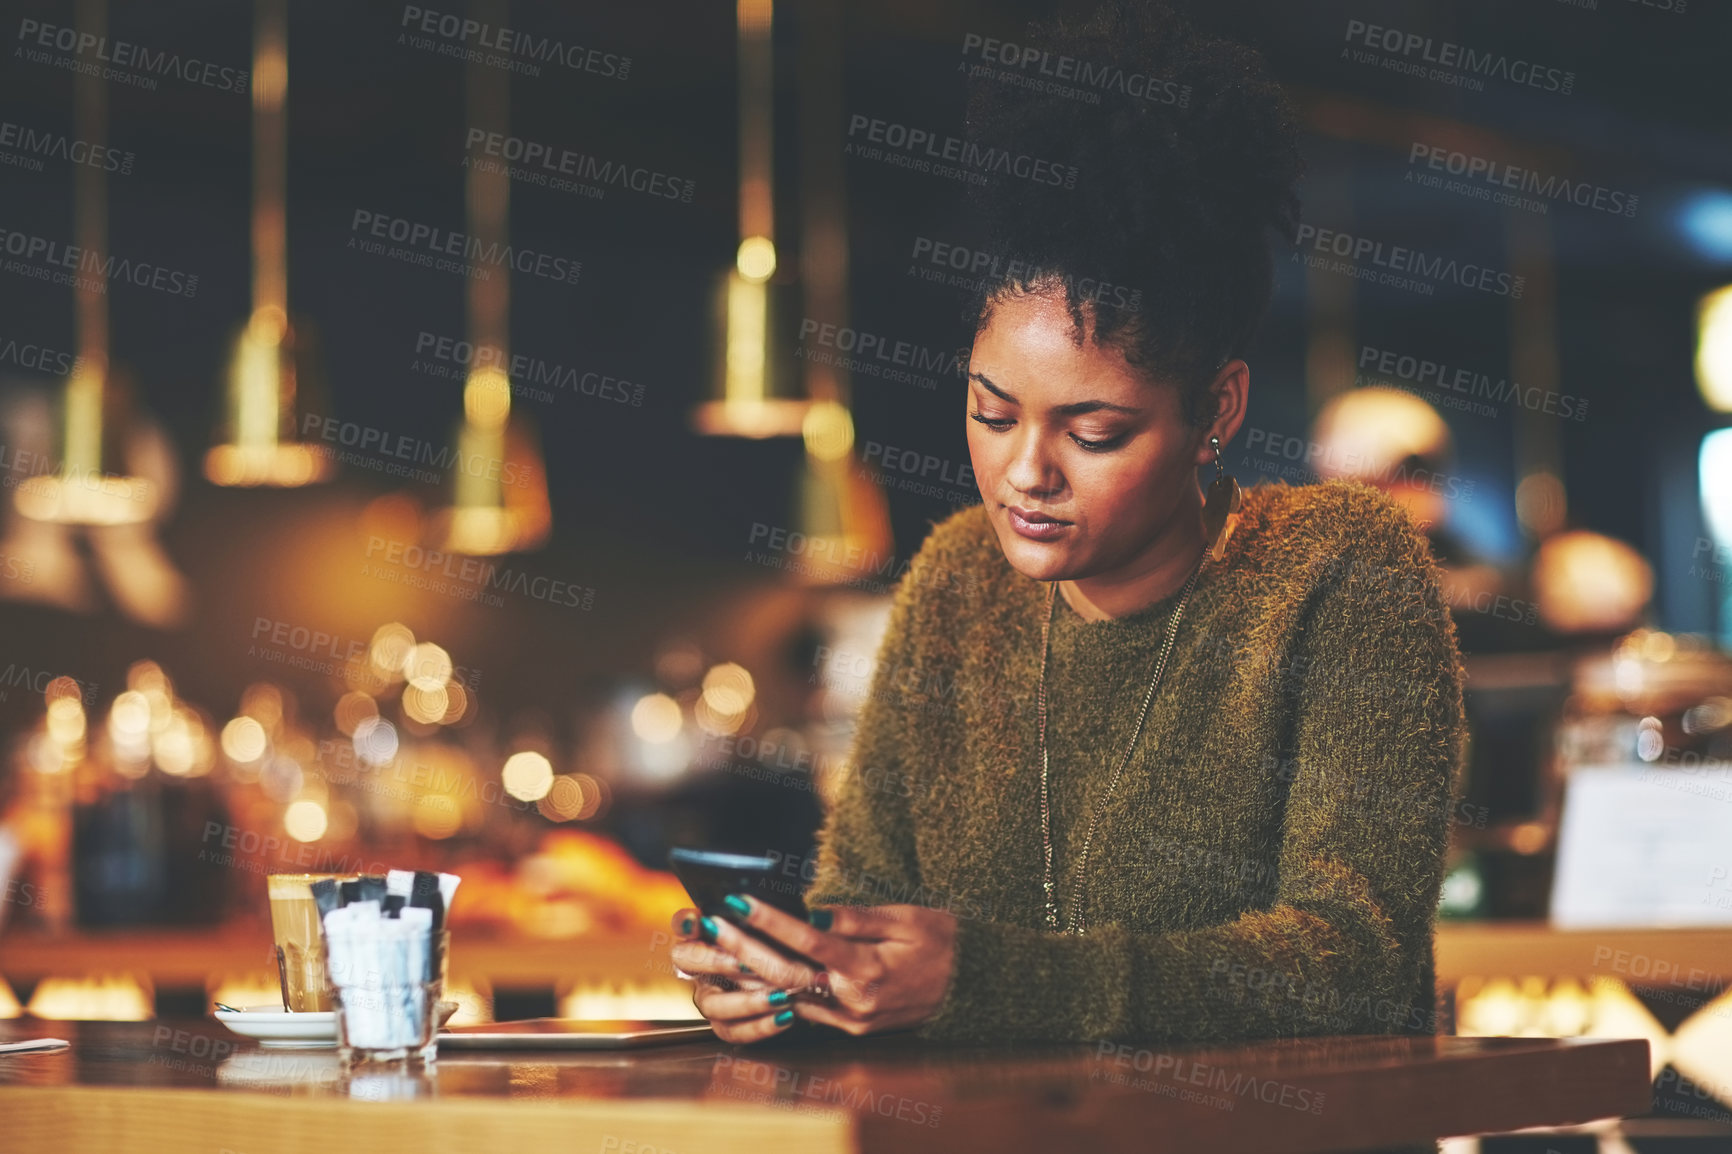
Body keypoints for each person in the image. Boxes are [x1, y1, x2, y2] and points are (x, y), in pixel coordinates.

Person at [672, 0, 1466, 1047]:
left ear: (1215, 412)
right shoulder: (957, 576)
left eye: (1092, 431)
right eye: (991, 412)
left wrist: (989, 978)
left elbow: (1351, 958)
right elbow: (865, 903)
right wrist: (790, 981)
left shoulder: (1336, 567)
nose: (1024, 471)